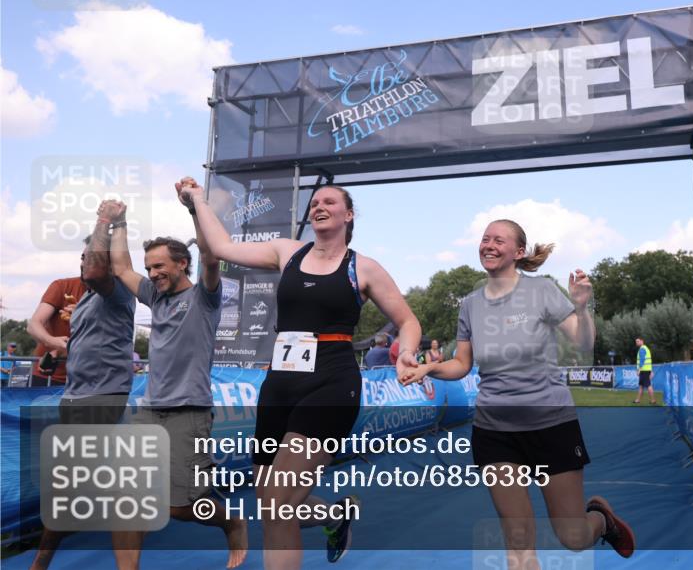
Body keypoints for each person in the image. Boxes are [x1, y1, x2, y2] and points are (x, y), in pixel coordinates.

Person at [178, 177, 421, 569]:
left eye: (329, 201)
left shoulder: (365, 267)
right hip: (280, 384)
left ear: (349, 214)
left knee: (277, 503)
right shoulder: (286, 251)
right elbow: (221, 247)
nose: (319, 206)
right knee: (268, 497)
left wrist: (406, 352)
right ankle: (334, 516)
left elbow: (408, 321)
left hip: (331, 383)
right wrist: (197, 202)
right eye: (315, 203)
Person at [401, 219, 634, 568]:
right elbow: (462, 363)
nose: (489, 245)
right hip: (495, 431)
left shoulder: (541, 290)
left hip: (551, 424)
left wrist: (582, 309)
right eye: (484, 239)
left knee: (572, 538)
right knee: (518, 539)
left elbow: (584, 342)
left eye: (499, 240)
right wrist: (428, 368)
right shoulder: (470, 304)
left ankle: (601, 519)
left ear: (519, 252)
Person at [108, 200, 247, 570]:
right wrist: (119, 222)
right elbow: (121, 267)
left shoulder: (203, 297)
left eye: (159, 266)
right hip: (150, 411)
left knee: (181, 507)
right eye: (150, 267)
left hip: (190, 413)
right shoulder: (155, 298)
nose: (152, 273)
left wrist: (192, 209)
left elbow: (211, 256)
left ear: (182, 263)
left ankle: (231, 522)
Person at [30, 202, 138, 570]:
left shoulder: (117, 292)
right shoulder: (88, 303)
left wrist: (105, 221)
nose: (84, 260)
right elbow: (88, 343)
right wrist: (58, 355)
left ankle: (40, 564)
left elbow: (94, 270)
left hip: (100, 399)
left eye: (90, 255)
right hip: (76, 397)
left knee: (77, 490)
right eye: (83, 254)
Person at [26, 260, 88, 387]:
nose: (84, 263)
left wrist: (86, 317)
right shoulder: (62, 286)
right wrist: (51, 341)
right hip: (48, 377)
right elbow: (34, 325)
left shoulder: (115, 297)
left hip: (89, 381)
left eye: (94, 258)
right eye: (83, 257)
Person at [633, 337, 655, 405]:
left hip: (644, 370)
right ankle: (638, 400)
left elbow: (642, 360)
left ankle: (653, 400)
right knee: (641, 386)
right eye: (636, 341)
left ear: (642, 341)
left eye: (638, 341)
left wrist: (639, 370)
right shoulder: (646, 348)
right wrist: (651, 370)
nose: (636, 343)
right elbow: (648, 360)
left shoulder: (642, 349)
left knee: (648, 385)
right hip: (646, 370)